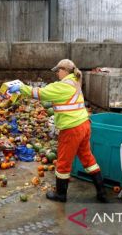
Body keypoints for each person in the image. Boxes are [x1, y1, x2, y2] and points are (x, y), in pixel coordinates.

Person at [8, 59, 108, 203]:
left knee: (63, 162)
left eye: (58, 71)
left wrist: (21, 88)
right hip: (84, 124)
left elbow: (41, 93)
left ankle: (61, 195)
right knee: (88, 159)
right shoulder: (74, 81)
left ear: (64, 71)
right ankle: (102, 192)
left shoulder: (64, 86)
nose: (56, 74)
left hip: (72, 128)